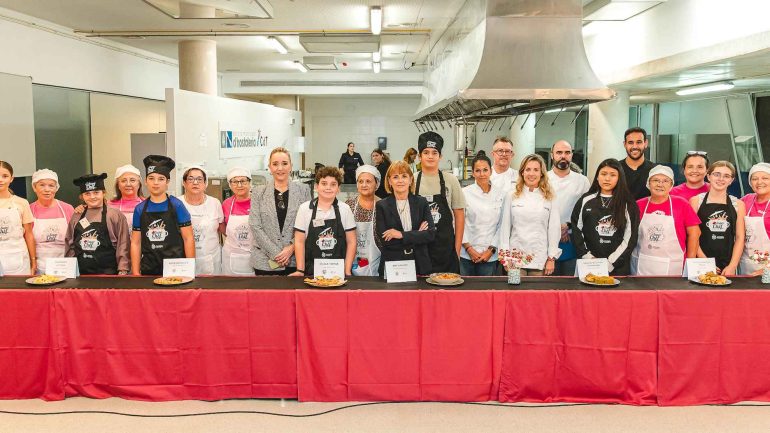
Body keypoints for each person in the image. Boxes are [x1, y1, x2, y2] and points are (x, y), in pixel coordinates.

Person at [571, 158, 639, 276]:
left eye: (613, 175)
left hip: (617, 267)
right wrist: (589, 258)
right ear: (597, 177)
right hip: (588, 265)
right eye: (603, 174)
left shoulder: (628, 204)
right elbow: (577, 230)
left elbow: (630, 238)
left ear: (619, 178)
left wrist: (610, 263)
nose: (607, 178)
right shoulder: (585, 200)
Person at [250, 147, 311, 275]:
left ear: (291, 166)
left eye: (284, 163)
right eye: (275, 164)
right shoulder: (258, 192)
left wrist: (291, 248)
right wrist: (276, 253)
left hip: (295, 261)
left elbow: (308, 224)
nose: (280, 168)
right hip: (264, 262)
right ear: (270, 167)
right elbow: (255, 226)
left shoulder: (303, 190)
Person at [131, 155, 194, 275]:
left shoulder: (177, 206)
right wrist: (135, 272)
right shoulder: (139, 209)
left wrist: (190, 270)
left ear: (167, 182)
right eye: (151, 178)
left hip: (176, 268)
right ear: (145, 181)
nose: (155, 183)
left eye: (161, 179)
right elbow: (136, 242)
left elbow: (188, 238)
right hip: (149, 268)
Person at [631, 165, 700, 276]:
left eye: (665, 181)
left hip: (673, 265)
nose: (660, 184)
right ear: (648, 183)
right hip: (642, 264)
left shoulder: (681, 204)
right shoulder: (638, 205)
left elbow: (695, 233)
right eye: (656, 180)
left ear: (671, 184)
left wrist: (690, 263)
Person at [499, 154, 561, 275]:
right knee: (514, 291)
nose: (531, 174)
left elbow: (554, 229)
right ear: (522, 172)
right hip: (514, 258)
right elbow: (505, 228)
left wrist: (551, 258)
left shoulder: (550, 196)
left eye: (536, 170)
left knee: (536, 293)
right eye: (528, 169)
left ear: (542, 173)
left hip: (539, 259)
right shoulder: (511, 195)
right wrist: (505, 258)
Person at [290, 166, 356, 277]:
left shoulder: (345, 209)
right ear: (316, 186)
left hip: (338, 273)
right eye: (324, 183)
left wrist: (347, 271)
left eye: (333, 184)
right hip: (311, 273)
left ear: (338, 188)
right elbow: (299, 241)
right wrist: (300, 270)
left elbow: (352, 242)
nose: (328, 188)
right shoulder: (305, 209)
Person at [414, 131, 465, 274]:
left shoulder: (451, 180)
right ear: (419, 156)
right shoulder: (412, 180)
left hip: (446, 250)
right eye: (426, 152)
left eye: (434, 152)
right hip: (420, 248)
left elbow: (459, 216)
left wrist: (457, 250)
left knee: (447, 293)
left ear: (440, 156)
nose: (430, 156)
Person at [375, 160, 435, 276]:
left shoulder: (422, 203)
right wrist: (417, 234)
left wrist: (401, 234)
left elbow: (430, 235)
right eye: (395, 177)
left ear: (411, 180)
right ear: (389, 181)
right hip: (394, 265)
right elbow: (385, 241)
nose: (400, 180)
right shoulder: (382, 206)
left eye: (404, 176)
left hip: (420, 264)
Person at [66, 173, 130, 275]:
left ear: (103, 193)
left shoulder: (114, 215)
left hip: (109, 274)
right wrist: (69, 268)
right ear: (82, 196)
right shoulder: (77, 215)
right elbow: (70, 244)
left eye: (96, 192)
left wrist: (123, 268)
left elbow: (123, 244)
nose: (92, 197)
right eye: (87, 194)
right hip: (81, 274)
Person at [690, 161, 744, 276]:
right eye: (717, 174)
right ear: (708, 176)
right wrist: (704, 261)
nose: (721, 179)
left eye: (726, 176)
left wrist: (732, 266)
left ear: (731, 180)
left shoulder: (738, 204)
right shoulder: (696, 201)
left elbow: (740, 237)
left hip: (727, 265)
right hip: (701, 263)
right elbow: (692, 235)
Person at [547, 140, 590, 276]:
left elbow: (587, 212)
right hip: (546, 240)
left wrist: (568, 226)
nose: (563, 156)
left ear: (571, 155)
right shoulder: (543, 179)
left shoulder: (582, 181)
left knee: (569, 285)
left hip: (572, 239)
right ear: (552, 155)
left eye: (567, 152)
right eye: (559, 152)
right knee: (548, 287)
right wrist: (556, 229)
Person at [460, 152, 505, 276]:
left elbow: (502, 225)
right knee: (465, 291)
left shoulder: (501, 194)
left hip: (489, 254)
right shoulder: (464, 193)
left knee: (486, 291)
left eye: (485, 170)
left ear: (491, 171)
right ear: (473, 173)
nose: (482, 174)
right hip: (466, 253)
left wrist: (491, 250)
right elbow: (457, 222)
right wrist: (469, 248)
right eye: (478, 170)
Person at [180, 166, 224, 275]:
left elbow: (221, 229)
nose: (195, 182)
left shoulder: (215, 203)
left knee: (212, 290)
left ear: (205, 183)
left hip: (212, 257)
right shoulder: (177, 203)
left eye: (199, 179)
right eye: (190, 179)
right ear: (184, 183)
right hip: (183, 259)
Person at [29, 169, 74, 274]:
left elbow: (75, 238)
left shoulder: (67, 209)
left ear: (56, 188)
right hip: (38, 267)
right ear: (34, 188)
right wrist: (32, 263)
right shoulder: (29, 210)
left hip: (64, 266)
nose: (47, 189)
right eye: (42, 185)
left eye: (51, 185)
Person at [345, 165, 382, 276]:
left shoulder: (383, 206)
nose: (364, 185)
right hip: (352, 262)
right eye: (360, 181)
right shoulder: (349, 205)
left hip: (378, 263)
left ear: (377, 184)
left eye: (368, 181)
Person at [0, 161, 35, 275]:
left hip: (18, 257)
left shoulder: (22, 203)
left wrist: (33, 260)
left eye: (5, 176)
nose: (1, 180)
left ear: (11, 178)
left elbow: (29, 234)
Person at [221, 167, 255, 275]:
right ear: (230, 185)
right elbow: (222, 226)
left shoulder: (258, 202)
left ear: (250, 183)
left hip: (254, 254)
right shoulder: (226, 204)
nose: (239, 185)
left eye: (243, 181)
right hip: (231, 255)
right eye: (235, 182)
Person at [740, 162, 770, 275]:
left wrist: (766, 270)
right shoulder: (745, 200)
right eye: (755, 178)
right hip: (745, 265)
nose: (759, 182)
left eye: (765, 178)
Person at [620, 127, 657, 200]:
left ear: (645, 143)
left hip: (647, 211)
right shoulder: (615, 169)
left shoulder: (655, 170)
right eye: (630, 142)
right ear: (625, 144)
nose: (634, 146)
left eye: (639, 142)